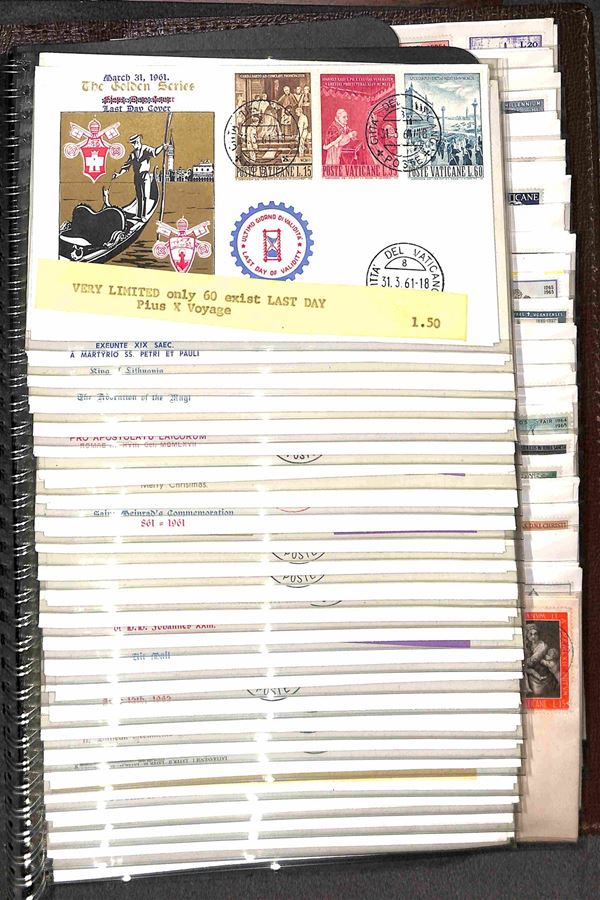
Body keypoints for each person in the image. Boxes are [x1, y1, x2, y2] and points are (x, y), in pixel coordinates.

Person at [112, 133, 167, 220]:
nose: (133, 145)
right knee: (139, 196)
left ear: (138, 141)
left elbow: (154, 152)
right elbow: (126, 166)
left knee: (145, 196)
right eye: (132, 143)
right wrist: (118, 174)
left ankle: (144, 216)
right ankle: (138, 215)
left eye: (134, 143)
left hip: (145, 176)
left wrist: (162, 147)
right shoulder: (133, 154)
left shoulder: (145, 149)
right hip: (137, 177)